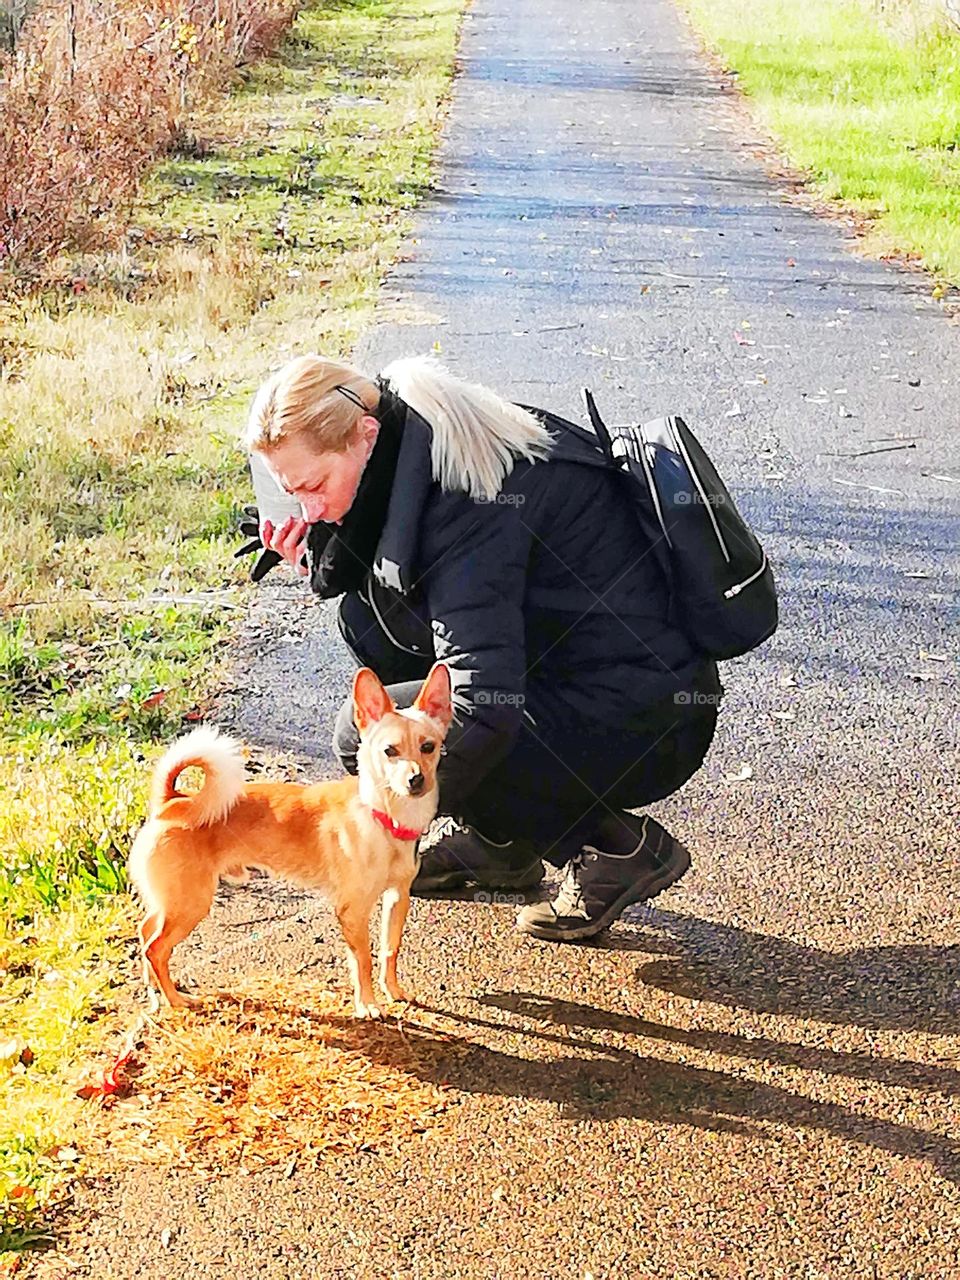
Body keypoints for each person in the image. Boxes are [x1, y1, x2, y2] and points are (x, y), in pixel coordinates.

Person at [240, 353, 723, 942]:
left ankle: (615, 846)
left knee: (366, 741)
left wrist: (398, 814)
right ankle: (502, 846)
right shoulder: (404, 438)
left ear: (364, 434)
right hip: (575, 672)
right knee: (370, 624)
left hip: (642, 712)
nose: (308, 507)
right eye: (292, 493)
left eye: (314, 486)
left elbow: (486, 707)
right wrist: (318, 542)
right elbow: (389, 593)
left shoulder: (465, 497)